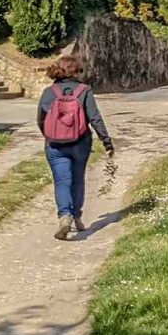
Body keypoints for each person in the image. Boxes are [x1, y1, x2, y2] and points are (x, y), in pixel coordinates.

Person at [37, 54, 115, 240]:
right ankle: (77, 216)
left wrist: (49, 135)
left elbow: (40, 119)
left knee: (62, 180)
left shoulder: (49, 92)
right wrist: (106, 141)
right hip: (80, 143)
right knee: (78, 179)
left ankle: (65, 216)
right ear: (76, 71)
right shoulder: (84, 90)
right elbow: (95, 118)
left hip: (55, 145)